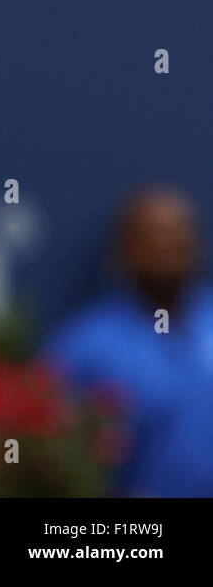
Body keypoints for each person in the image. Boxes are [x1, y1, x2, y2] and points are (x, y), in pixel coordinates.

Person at [42, 186, 213, 496]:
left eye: (180, 232)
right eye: (155, 235)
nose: (171, 245)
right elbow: (50, 450)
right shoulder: (84, 344)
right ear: (125, 248)